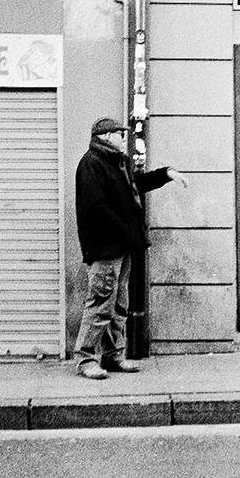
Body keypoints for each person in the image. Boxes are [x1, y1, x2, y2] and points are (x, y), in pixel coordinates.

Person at [73, 116, 189, 379]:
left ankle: (113, 356)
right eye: (119, 133)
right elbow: (96, 208)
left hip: (122, 246)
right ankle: (85, 359)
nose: (124, 138)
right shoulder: (91, 164)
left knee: (119, 304)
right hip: (104, 248)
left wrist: (166, 174)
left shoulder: (117, 164)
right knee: (100, 302)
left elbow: (137, 183)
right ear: (105, 136)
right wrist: (127, 229)